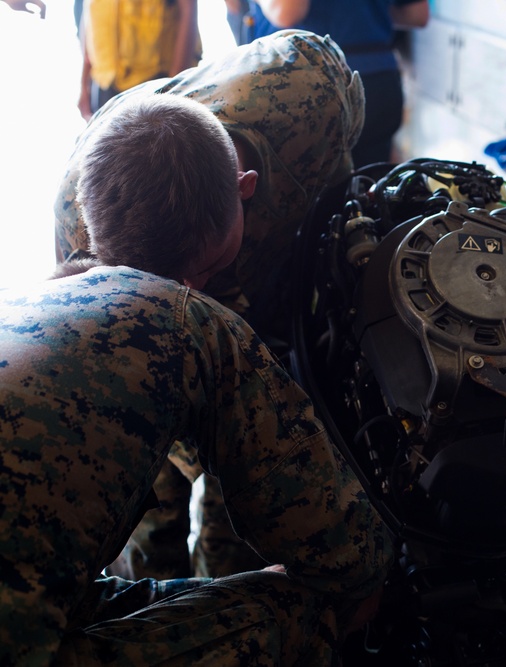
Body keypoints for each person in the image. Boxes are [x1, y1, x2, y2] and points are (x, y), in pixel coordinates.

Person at [4, 92, 393, 665]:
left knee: (123, 598)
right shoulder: (188, 318)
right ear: (246, 189)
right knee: (314, 605)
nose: (198, 286)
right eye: (202, 275)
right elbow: (338, 546)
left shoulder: (32, 299)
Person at [54, 28, 366, 581]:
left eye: (202, 272)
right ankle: (157, 591)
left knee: (252, 468)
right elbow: (118, 375)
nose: (192, 300)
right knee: (153, 468)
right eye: (173, 282)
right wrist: (193, 450)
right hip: (141, 326)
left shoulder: (309, 92)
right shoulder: (82, 219)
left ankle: (230, 585)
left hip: (282, 272)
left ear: (247, 190)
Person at [247, 0, 429, 167]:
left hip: (313, 84)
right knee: (368, 187)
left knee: (311, 193)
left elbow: (286, 11)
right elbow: (417, 14)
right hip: (378, 79)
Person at [77, 0, 200, 121]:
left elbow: (188, 9)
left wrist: (176, 86)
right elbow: (90, 11)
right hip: (104, 82)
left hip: (156, 81)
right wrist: (84, 84)